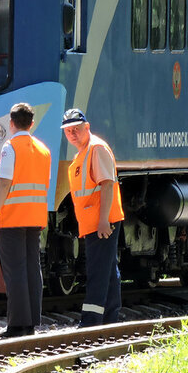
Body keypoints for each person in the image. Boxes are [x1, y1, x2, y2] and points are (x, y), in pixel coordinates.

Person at [0, 102, 51, 338]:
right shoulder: (43, 149)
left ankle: (16, 325)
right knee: (33, 268)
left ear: (11, 123)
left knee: (15, 271)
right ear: (32, 124)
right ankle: (30, 323)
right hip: (35, 217)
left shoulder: (9, 148)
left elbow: (4, 183)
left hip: (11, 218)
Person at [61, 107, 125, 327]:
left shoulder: (96, 149)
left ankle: (91, 321)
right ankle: (109, 318)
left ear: (86, 127)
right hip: (95, 222)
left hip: (101, 222)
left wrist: (103, 220)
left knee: (98, 271)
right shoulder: (84, 152)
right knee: (106, 270)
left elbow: (107, 184)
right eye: (68, 131)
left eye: (76, 129)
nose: (72, 134)